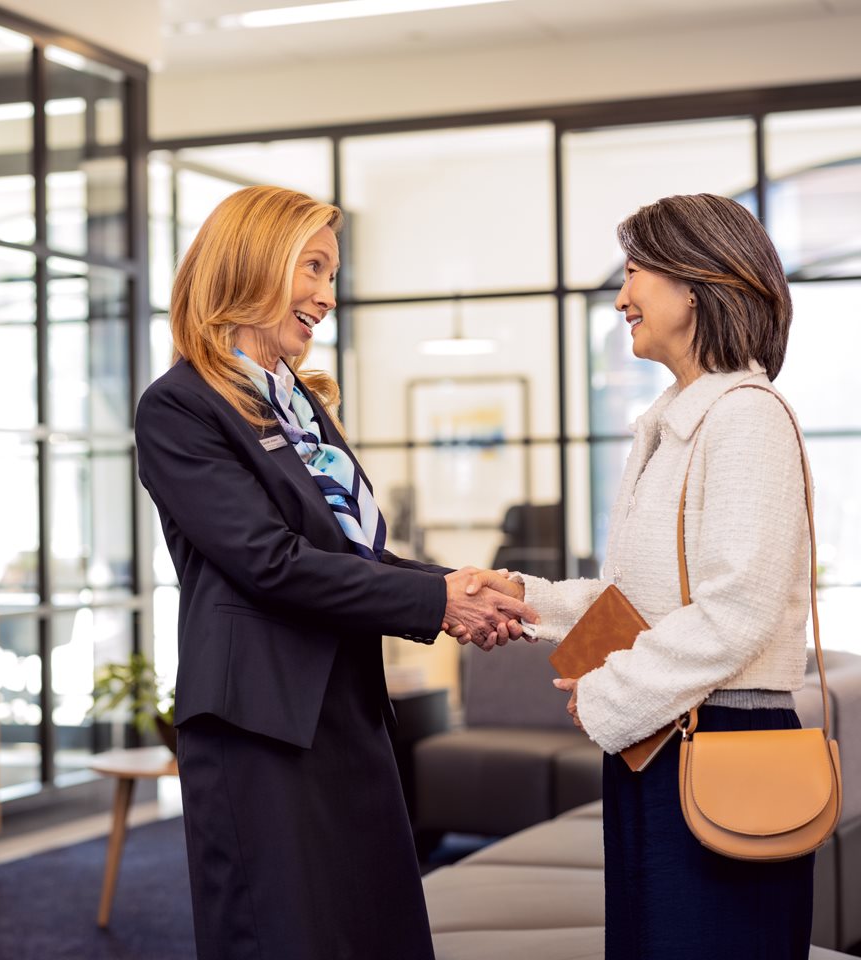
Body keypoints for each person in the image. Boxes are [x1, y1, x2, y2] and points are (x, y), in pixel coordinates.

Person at [134, 185, 538, 960]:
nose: (326, 295)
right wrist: (436, 599)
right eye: (312, 268)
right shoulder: (180, 407)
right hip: (259, 721)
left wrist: (460, 587)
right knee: (283, 936)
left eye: (332, 275)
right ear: (252, 262)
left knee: (373, 930)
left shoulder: (298, 403)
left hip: (344, 708)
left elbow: (349, 554)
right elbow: (269, 563)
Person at [497, 193, 813, 959]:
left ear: (697, 283)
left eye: (636, 271)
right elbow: (638, 604)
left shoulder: (744, 417)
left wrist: (610, 693)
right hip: (664, 738)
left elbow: (736, 609)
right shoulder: (679, 422)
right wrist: (521, 600)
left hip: (717, 739)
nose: (621, 296)